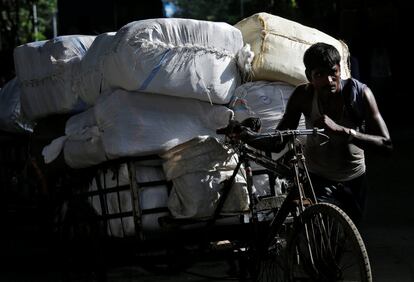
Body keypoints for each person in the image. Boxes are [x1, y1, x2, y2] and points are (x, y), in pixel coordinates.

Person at [276, 42, 393, 224]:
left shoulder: (360, 94)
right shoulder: (304, 96)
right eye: (320, 75)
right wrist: (247, 135)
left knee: (348, 238)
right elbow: (279, 139)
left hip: (354, 179)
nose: (329, 80)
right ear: (309, 77)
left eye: (333, 72)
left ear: (341, 70)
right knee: (319, 235)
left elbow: (387, 145)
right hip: (317, 178)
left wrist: (342, 131)